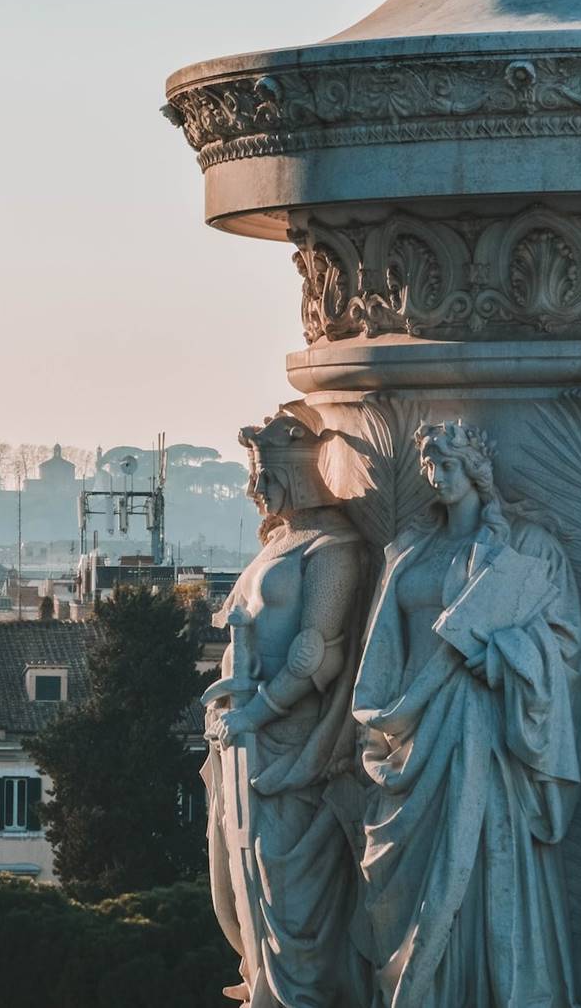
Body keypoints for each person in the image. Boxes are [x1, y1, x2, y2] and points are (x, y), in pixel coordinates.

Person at [353, 420, 581, 1008]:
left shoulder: (526, 548)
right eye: (430, 464)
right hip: (410, 739)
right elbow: (383, 650)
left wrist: (502, 658)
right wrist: (383, 718)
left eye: (449, 464)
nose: (437, 475)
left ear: (478, 470)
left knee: (485, 875)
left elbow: (564, 649)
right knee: (405, 890)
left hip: (485, 739)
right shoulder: (410, 550)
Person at [204, 413, 365, 1007]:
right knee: (237, 876)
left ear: (294, 476)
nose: (255, 491)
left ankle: (296, 997)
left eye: (263, 476)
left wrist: (257, 713)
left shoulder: (335, 549)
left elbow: (311, 655)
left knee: (282, 880)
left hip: (290, 743)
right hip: (240, 736)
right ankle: (263, 989)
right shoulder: (279, 542)